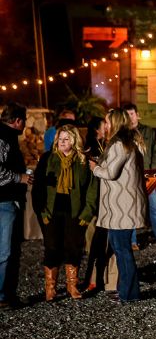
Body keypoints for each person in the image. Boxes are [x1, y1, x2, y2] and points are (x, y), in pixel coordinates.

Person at [89, 108, 147, 303]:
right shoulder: (128, 143)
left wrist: (94, 168)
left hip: (121, 207)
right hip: (122, 205)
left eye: (107, 121)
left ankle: (129, 294)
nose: (105, 126)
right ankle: (125, 290)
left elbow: (111, 173)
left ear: (113, 123)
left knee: (122, 249)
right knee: (121, 248)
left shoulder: (119, 145)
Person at [39, 125, 98, 301]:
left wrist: (86, 213)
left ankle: (72, 286)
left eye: (66, 139)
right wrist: (43, 212)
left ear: (73, 140)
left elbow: (91, 189)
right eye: (59, 139)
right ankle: (51, 288)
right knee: (52, 248)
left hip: (75, 212)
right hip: (52, 211)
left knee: (73, 248)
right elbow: (39, 187)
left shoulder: (82, 161)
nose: (62, 142)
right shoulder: (49, 159)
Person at [0, 103, 33, 309]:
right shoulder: (3, 138)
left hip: (6, 200)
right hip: (4, 201)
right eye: (25, 121)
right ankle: (3, 295)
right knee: (6, 250)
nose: (26, 125)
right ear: (18, 121)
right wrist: (19, 177)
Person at [122, 103, 156, 247]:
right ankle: (132, 241)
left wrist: (152, 170)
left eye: (132, 114)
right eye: (126, 115)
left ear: (137, 114)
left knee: (155, 208)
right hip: (129, 176)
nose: (130, 118)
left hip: (147, 176)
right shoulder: (122, 134)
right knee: (130, 209)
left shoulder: (148, 131)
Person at [81, 116, 111, 294]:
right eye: (104, 126)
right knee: (93, 243)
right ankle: (91, 280)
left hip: (104, 200)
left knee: (102, 243)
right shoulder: (90, 149)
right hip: (95, 201)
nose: (106, 128)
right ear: (96, 130)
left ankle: (101, 278)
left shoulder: (104, 146)